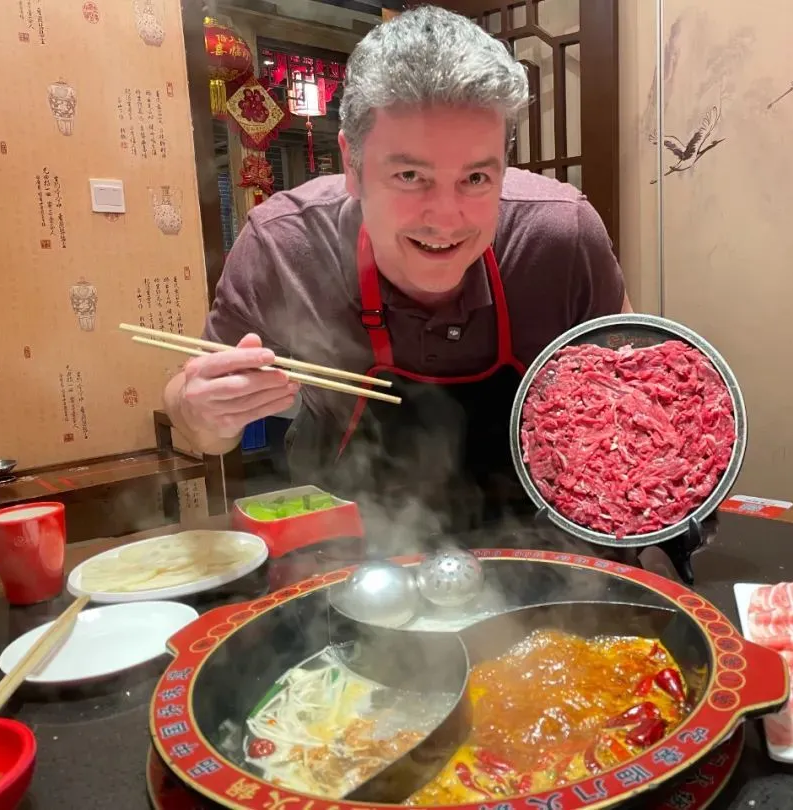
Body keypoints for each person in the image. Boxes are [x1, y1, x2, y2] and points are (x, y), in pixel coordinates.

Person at [163, 5, 632, 540]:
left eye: (476, 178)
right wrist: (201, 413)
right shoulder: (285, 246)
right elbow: (197, 424)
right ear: (352, 165)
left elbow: (632, 378)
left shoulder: (561, 237)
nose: (446, 219)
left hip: (543, 546)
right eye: (410, 175)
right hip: (348, 552)